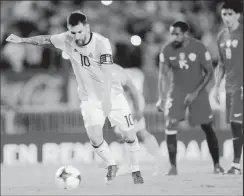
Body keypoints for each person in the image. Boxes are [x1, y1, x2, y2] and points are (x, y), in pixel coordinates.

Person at [6, 10, 144, 184]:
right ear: (68, 30)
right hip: (89, 99)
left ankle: (136, 170)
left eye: (80, 31)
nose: (77, 36)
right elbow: (45, 39)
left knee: (129, 136)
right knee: (95, 138)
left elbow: (108, 73)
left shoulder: (101, 43)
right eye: (73, 32)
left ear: (87, 27)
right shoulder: (66, 39)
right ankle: (111, 164)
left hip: (113, 95)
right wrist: (22, 40)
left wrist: (108, 100)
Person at [156, 21, 225, 175]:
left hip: (198, 90)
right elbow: (162, 75)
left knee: (207, 125)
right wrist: (161, 97)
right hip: (177, 91)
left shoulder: (198, 47)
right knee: (171, 123)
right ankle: (173, 167)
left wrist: (195, 92)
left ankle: (217, 165)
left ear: (186, 34)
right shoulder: (167, 50)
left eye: (176, 34)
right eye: (171, 33)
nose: (173, 37)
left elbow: (209, 72)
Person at [108, 64, 163, 176]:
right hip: (120, 104)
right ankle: (128, 164)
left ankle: (161, 162)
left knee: (141, 132)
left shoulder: (112, 71)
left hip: (130, 103)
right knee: (122, 135)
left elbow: (131, 89)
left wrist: (137, 109)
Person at [213, 2, 243, 175]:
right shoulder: (221, 36)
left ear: (238, 15)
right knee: (234, 124)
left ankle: (236, 165)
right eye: (224, 14)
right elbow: (222, 64)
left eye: (230, 14)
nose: (226, 18)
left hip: (242, 85)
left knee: (237, 123)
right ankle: (237, 164)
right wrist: (217, 86)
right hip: (230, 86)